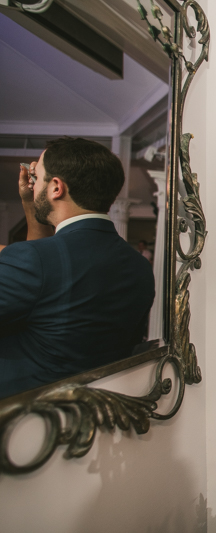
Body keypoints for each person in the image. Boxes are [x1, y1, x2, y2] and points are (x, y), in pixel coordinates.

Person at [0, 137, 156, 398]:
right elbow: (47, 283)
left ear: (56, 187)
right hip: (97, 413)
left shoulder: (32, 261)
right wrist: (30, 203)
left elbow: (42, 272)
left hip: (22, 417)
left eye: (37, 177)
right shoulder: (138, 266)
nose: (32, 183)